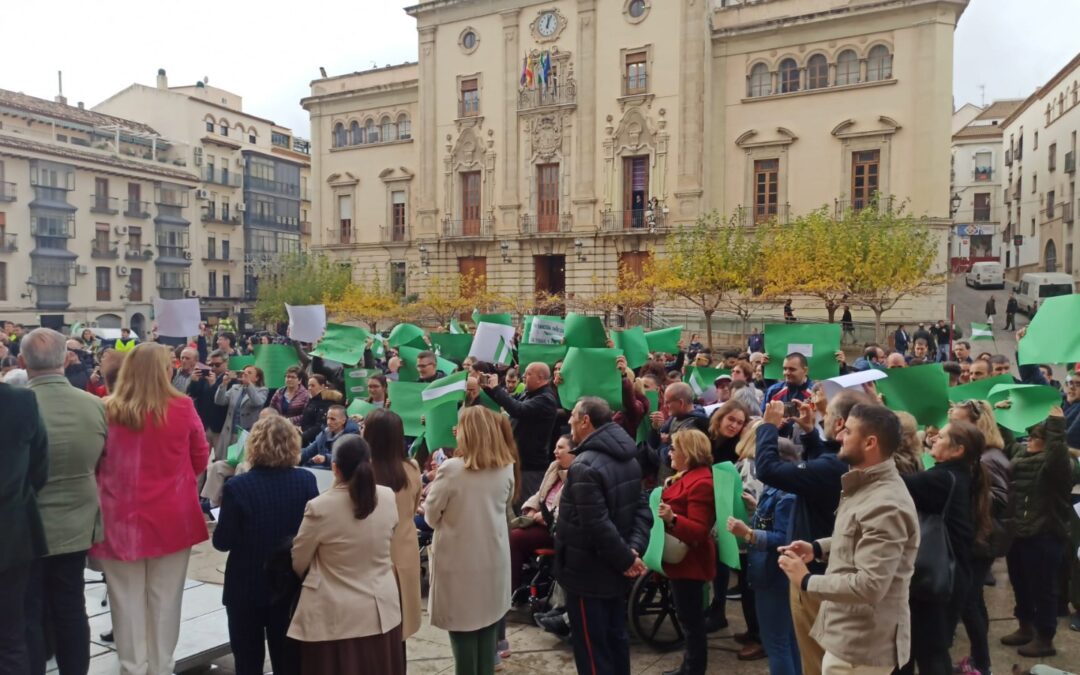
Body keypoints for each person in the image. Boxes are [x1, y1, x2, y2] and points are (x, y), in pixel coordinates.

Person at [90, 343, 210, 675]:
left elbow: (94, 462)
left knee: (124, 602)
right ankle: (161, 668)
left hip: (119, 520)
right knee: (165, 601)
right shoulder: (183, 407)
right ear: (165, 371)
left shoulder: (105, 408)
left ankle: (132, 667)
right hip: (171, 518)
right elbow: (200, 457)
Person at [777, 403, 920, 675]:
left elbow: (870, 585)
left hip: (861, 646)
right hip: (848, 635)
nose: (839, 436)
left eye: (848, 430)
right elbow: (859, 534)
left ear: (870, 443)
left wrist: (806, 580)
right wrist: (818, 548)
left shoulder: (886, 503)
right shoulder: (868, 484)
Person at [756, 390, 873, 675]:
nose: (824, 420)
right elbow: (828, 458)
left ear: (841, 425)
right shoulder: (856, 461)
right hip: (836, 561)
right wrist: (810, 432)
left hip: (817, 572)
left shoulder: (832, 468)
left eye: (828, 416)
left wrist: (768, 426)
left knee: (815, 656)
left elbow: (768, 470)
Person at [21, 329, 108, 675]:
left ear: (24, 361)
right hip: (77, 522)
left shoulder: (14, 405)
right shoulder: (94, 405)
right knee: (72, 607)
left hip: (26, 527)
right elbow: (104, 460)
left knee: (29, 610)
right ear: (65, 358)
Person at [211, 415, 318, 675]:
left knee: (247, 662)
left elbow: (222, 542)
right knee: (288, 662)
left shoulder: (238, 486)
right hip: (288, 584)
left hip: (245, 585)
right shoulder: (306, 481)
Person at [288, 435, 404, 673]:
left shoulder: (320, 507)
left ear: (334, 468)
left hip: (334, 618)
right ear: (369, 463)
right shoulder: (387, 497)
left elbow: (299, 560)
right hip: (379, 609)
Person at [555, 397, 651, 675]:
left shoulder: (584, 465)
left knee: (593, 648)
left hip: (589, 573)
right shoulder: (628, 456)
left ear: (586, 420)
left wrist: (626, 559)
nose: (569, 420)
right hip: (615, 569)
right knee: (615, 639)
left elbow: (596, 524)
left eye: (574, 415)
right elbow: (642, 511)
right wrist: (631, 552)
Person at [424, 407, 516, 675]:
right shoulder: (506, 465)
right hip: (493, 559)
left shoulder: (451, 470)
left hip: (459, 563)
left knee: (463, 636)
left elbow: (431, 516)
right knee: (488, 631)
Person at [899, 421, 989, 675]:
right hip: (949, 577)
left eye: (941, 436)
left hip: (937, 579)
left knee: (928, 654)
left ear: (958, 450)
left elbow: (893, 480)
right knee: (925, 650)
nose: (934, 438)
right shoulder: (958, 474)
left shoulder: (941, 478)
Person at [728, 419, 800, 675]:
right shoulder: (777, 487)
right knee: (788, 640)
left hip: (774, 577)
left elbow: (783, 538)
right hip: (768, 574)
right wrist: (756, 504)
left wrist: (748, 534)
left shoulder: (788, 494)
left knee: (776, 642)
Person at [1000, 406, 1070, 657]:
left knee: (1043, 588)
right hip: (1019, 533)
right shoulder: (1023, 456)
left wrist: (1056, 425)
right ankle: (1025, 627)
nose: (1029, 442)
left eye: (1035, 438)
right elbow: (1008, 445)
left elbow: (1057, 453)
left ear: (1046, 442)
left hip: (1044, 535)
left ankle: (1045, 637)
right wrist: (1004, 418)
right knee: (1021, 584)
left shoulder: (1056, 466)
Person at [0, 368, 48, 674]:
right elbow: (40, 469)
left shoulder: (22, 401)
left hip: (13, 535)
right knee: (10, 636)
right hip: (12, 532)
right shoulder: (21, 402)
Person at [363, 409, 424, 649]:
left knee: (373, 633)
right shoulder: (412, 468)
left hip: (371, 554)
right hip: (404, 552)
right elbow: (415, 505)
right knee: (399, 631)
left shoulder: (360, 471)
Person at [657, 429, 716, 675]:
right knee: (688, 621)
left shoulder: (701, 482)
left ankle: (693, 670)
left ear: (689, 453)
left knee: (691, 623)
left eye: (674, 448)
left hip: (690, 563)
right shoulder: (686, 476)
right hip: (681, 561)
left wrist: (672, 520)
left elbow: (700, 530)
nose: (670, 451)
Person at [482, 361, 558, 506]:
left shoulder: (545, 399)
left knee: (525, 507)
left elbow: (518, 410)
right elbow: (509, 402)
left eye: (528, 374)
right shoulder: (529, 393)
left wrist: (497, 388)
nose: (524, 376)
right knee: (513, 504)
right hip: (518, 461)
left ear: (540, 378)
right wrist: (489, 388)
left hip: (530, 466)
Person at [214, 365, 269, 460]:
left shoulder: (262, 390)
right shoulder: (235, 387)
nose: (245, 374)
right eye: (243, 372)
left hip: (245, 433)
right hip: (230, 432)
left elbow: (257, 402)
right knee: (226, 461)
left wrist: (248, 385)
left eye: (249, 373)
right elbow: (219, 401)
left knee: (239, 462)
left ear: (257, 378)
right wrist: (224, 384)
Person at [188, 350, 230, 453]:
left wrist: (213, 385)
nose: (213, 368)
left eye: (217, 364)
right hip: (204, 424)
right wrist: (193, 380)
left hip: (220, 426)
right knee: (200, 457)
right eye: (211, 364)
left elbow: (222, 401)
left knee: (219, 459)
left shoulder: (230, 379)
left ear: (226, 363)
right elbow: (192, 394)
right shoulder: (205, 375)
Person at [298, 375, 344, 445]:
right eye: (309, 385)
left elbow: (320, 427)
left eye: (313, 386)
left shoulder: (326, 402)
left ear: (322, 386)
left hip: (315, 441)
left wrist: (302, 436)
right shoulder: (313, 400)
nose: (310, 388)